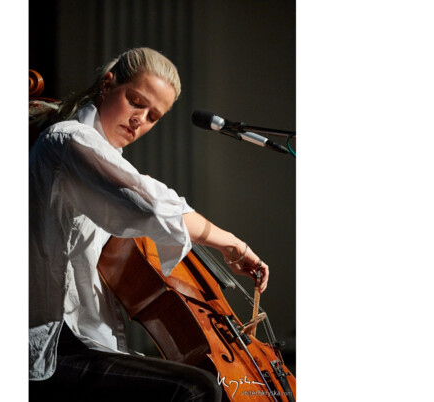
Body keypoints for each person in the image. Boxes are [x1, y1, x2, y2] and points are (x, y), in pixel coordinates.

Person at [29, 47, 269, 402]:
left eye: (153, 116)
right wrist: (232, 242)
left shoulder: (104, 160)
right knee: (196, 389)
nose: (139, 119)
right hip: (48, 346)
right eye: (136, 102)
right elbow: (153, 208)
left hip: (81, 338)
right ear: (107, 85)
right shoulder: (68, 140)